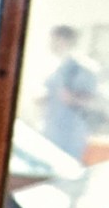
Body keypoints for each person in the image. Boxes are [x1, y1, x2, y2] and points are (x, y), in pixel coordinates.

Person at [42, 25, 100, 160]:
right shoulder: (56, 67)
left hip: (69, 135)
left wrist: (72, 98)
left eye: (54, 40)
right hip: (51, 130)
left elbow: (91, 101)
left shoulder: (82, 68)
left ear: (64, 41)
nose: (50, 44)